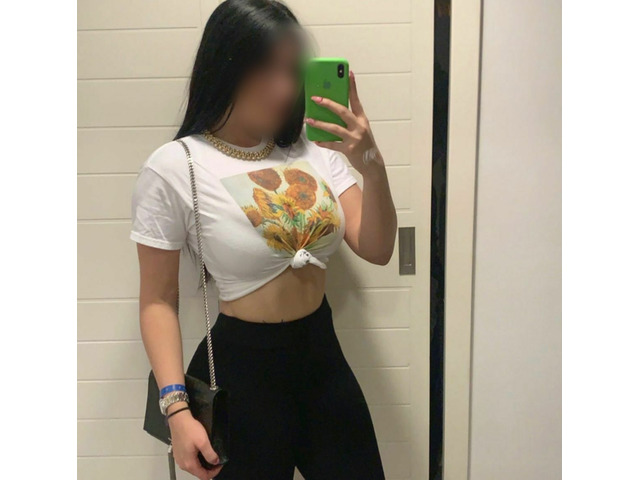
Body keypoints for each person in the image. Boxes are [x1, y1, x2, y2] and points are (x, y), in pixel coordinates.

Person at [129, 1, 396, 479]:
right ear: (225, 64)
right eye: (266, 68)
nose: (285, 88)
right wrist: (176, 409)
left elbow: (377, 249)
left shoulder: (317, 151)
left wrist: (370, 161)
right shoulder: (175, 166)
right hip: (241, 374)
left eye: (292, 70)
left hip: (321, 360)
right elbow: (158, 300)